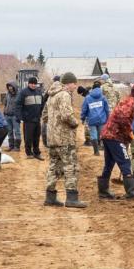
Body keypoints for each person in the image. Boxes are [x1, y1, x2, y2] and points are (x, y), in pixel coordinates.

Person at [98, 82, 134, 200]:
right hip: (114, 136)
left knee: (109, 163)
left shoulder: (130, 101)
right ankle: (131, 191)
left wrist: (126, 134)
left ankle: (103, 191)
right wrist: (128, 132)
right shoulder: (131, 102)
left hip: (109, 135)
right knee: (125, 162)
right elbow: (122, 117)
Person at [44, 72, 87, 208]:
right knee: (71, 167)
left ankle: (50, 197)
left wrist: (53, 126)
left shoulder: (51, 95)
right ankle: (72, 198)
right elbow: (66, 115)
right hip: (64, 138)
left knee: (53, 167)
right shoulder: (64, 95)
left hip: (52, 138)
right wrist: (75, 123)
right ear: (69, 83)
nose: (76, 86)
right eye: (75, 83)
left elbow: (44, 116)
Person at [16, 77, 44, 160]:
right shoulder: (23, 92)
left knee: (37, 136)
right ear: (28, 84)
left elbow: (42, 104)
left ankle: (36, 152)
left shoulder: (39, 92)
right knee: (28, 137)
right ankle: (29, 153)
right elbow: (18, 105)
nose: (33, 85)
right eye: (32, 83)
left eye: (35, 84)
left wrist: (40, 113)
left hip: (37, 119)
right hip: (28, 120)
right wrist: (20, 117)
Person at [81, 82, 110, 156]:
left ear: (92, 89)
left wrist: (83, 118)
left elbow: (84, 109)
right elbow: (107, 109)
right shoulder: (103, 97)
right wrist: (108, 118)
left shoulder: (88, 98)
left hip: (91, 119)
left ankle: (96, 151)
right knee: (102, 134)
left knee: (93, 134)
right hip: (102, 119)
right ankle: (104, 149)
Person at [2, 81, 21, 151]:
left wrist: (19, 114)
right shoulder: (7, 94)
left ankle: (17, 147)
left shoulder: (19, 94)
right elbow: (5, 103)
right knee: (9, 131)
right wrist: (4, 111)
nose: (10, 88)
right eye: (9, 86)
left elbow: (21, 105)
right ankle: (11, 146)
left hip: (15, 116)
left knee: (17, 131)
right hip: (7, 115)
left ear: (14, 87)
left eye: (11, 86)